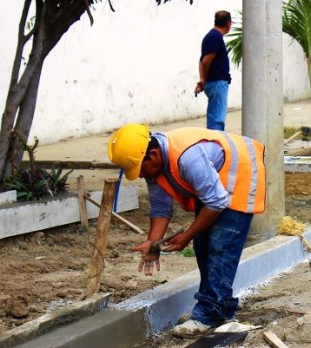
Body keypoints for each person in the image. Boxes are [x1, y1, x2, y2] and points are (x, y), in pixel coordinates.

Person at [107, 123, 267, 337]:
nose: (140, 175)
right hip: (212, 185)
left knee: (221, 246)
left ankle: (208, 315)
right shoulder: (155, 164)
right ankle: (220, 308)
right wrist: (154, 243)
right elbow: (160, 207)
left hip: (239, 176)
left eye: (140, 169)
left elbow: (217, 201)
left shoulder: (188, 158)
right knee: (203, 246)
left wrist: (187, 235)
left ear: (153, 155)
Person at [195, 11, 233, 130]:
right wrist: (204, 80)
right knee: (217, 121)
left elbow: (202, 61)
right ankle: (215, 141)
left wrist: (202, 80)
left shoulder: (210, 36)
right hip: (217, 83)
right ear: (228, 23)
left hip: (214, 83)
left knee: (215, 118)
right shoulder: (216, 37)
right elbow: (206, 61)